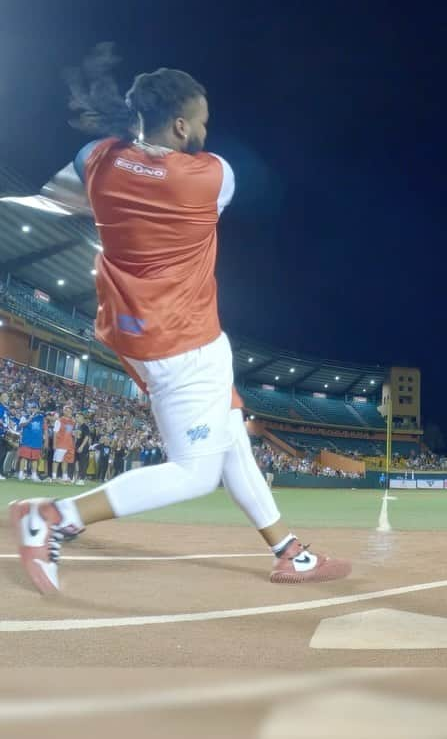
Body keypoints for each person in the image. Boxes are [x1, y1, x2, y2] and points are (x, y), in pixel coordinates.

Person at [9, 45, 351, 593]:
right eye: (200, 122)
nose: (205, 132)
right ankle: (54, 517)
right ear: (178, 123)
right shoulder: (211, 176)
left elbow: (79, 186)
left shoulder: (96, 158)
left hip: (134, 333)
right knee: (196, 472)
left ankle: (289, 551)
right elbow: (186, 177)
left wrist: (129, 142)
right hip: (183, 341)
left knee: (233, 434)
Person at [51, 404, 76, 483]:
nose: (69, 412)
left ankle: (64, 477)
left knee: (65, 461)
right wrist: (54, 444)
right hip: (60, 444)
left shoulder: (72, 422)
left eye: (70, 411)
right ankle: (54, 477)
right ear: (64, 411)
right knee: (56, 461)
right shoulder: (59, 421)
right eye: (67, 410)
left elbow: (71, 433)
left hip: (68, 445)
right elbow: (55, 432)